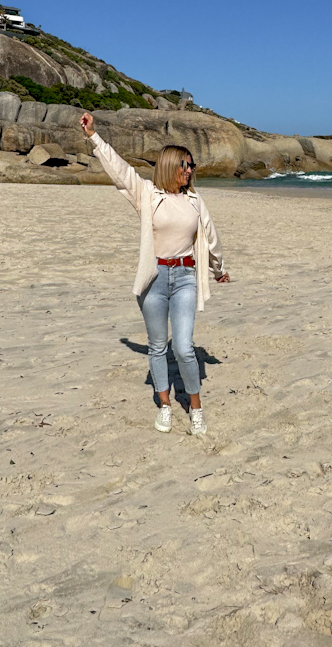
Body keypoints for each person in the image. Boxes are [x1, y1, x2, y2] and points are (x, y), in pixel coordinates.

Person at [80, 111, 229, 435]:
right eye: (185, 165)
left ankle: (195, 408)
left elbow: (210, 236)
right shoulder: (147, 194)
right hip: (155, 279)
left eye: (192, 166)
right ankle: (164, 405)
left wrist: (218, 270)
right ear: (170, 166)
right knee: (157, 346)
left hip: (186, 277)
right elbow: (120, 170)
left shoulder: (194, 200)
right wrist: (94, 137)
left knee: (184, 348)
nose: (190, 171)